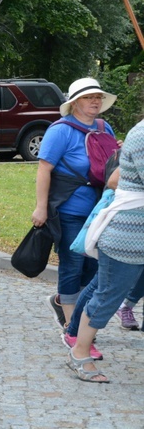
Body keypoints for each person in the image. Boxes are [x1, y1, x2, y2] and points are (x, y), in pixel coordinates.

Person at [32, 78, 117, 330]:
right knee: (72, 264)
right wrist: (41, 206)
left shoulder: (105, 128)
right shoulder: (60, 130)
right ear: (74, 103)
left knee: (93, 266)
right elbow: (44, 169)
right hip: (69, 210)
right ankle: (73, 326)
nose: (95, 101)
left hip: (99, 211)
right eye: (89, 97)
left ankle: (65, 304)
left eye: (98, 97)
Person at [64, 117, 144, 383]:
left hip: (136, 235)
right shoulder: (142, 134)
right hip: (127, 238)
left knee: (104, 290)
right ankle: (79, 352)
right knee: (107, 296)